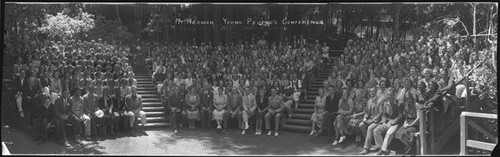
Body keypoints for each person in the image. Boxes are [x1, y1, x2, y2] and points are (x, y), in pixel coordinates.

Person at [373, 88, 403, 155]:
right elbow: (384, 114)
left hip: (397, 123)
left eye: (391, 95)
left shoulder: (398, 103)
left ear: (394, 95)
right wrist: (384, 122)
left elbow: (400, 116)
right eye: (388, 95)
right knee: (376, 130)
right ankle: (382, 148)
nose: (389, 96)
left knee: (389, 133)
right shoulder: (385, 103)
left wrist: (393, 121)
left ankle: (382, 150)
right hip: (388, 122)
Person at [395, 79, 419, 155]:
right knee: (398, 133)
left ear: (412, 98)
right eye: (406, 98)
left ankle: (409, 148)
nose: (408, 100)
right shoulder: (406, 106)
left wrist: (410, 125)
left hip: (415, 122)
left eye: (409, 98)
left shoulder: (416, 105)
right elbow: (405, 117)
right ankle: (408, 146)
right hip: (408, 121)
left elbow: (418, 118)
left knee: (405, 133)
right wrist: (405, 123)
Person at [360, 88, 383, 155]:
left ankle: (366, 148)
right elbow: (367, 112)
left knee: (370, 128)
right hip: (370, 119)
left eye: (373, 91)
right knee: (361, 125)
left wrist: (372, 120)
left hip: (378, 120)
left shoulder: (380, 100)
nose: (372, 93)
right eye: (370, 91)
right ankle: (370, 143)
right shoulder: (369, 101)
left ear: (376, 92)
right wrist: (365, 118)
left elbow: (380, 113)